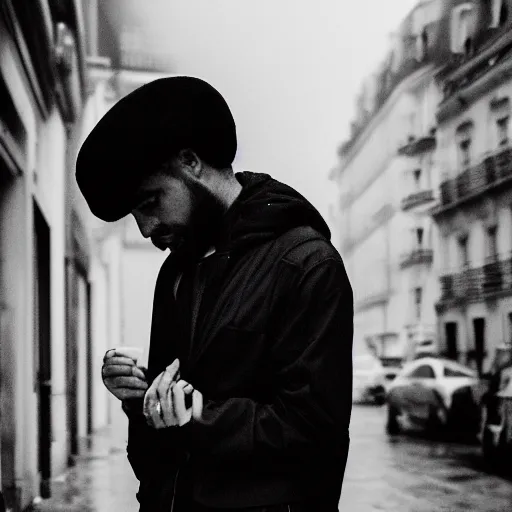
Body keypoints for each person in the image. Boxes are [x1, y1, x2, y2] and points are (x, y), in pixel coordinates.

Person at [76, 76, 353, 512]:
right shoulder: (176, 272)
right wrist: (141, 396)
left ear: (190, 162)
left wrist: (197, 413)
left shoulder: (306, 265)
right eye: (135, 215)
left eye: (150, 203)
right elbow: (157, 449)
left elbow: (315, 432)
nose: (146, 229)